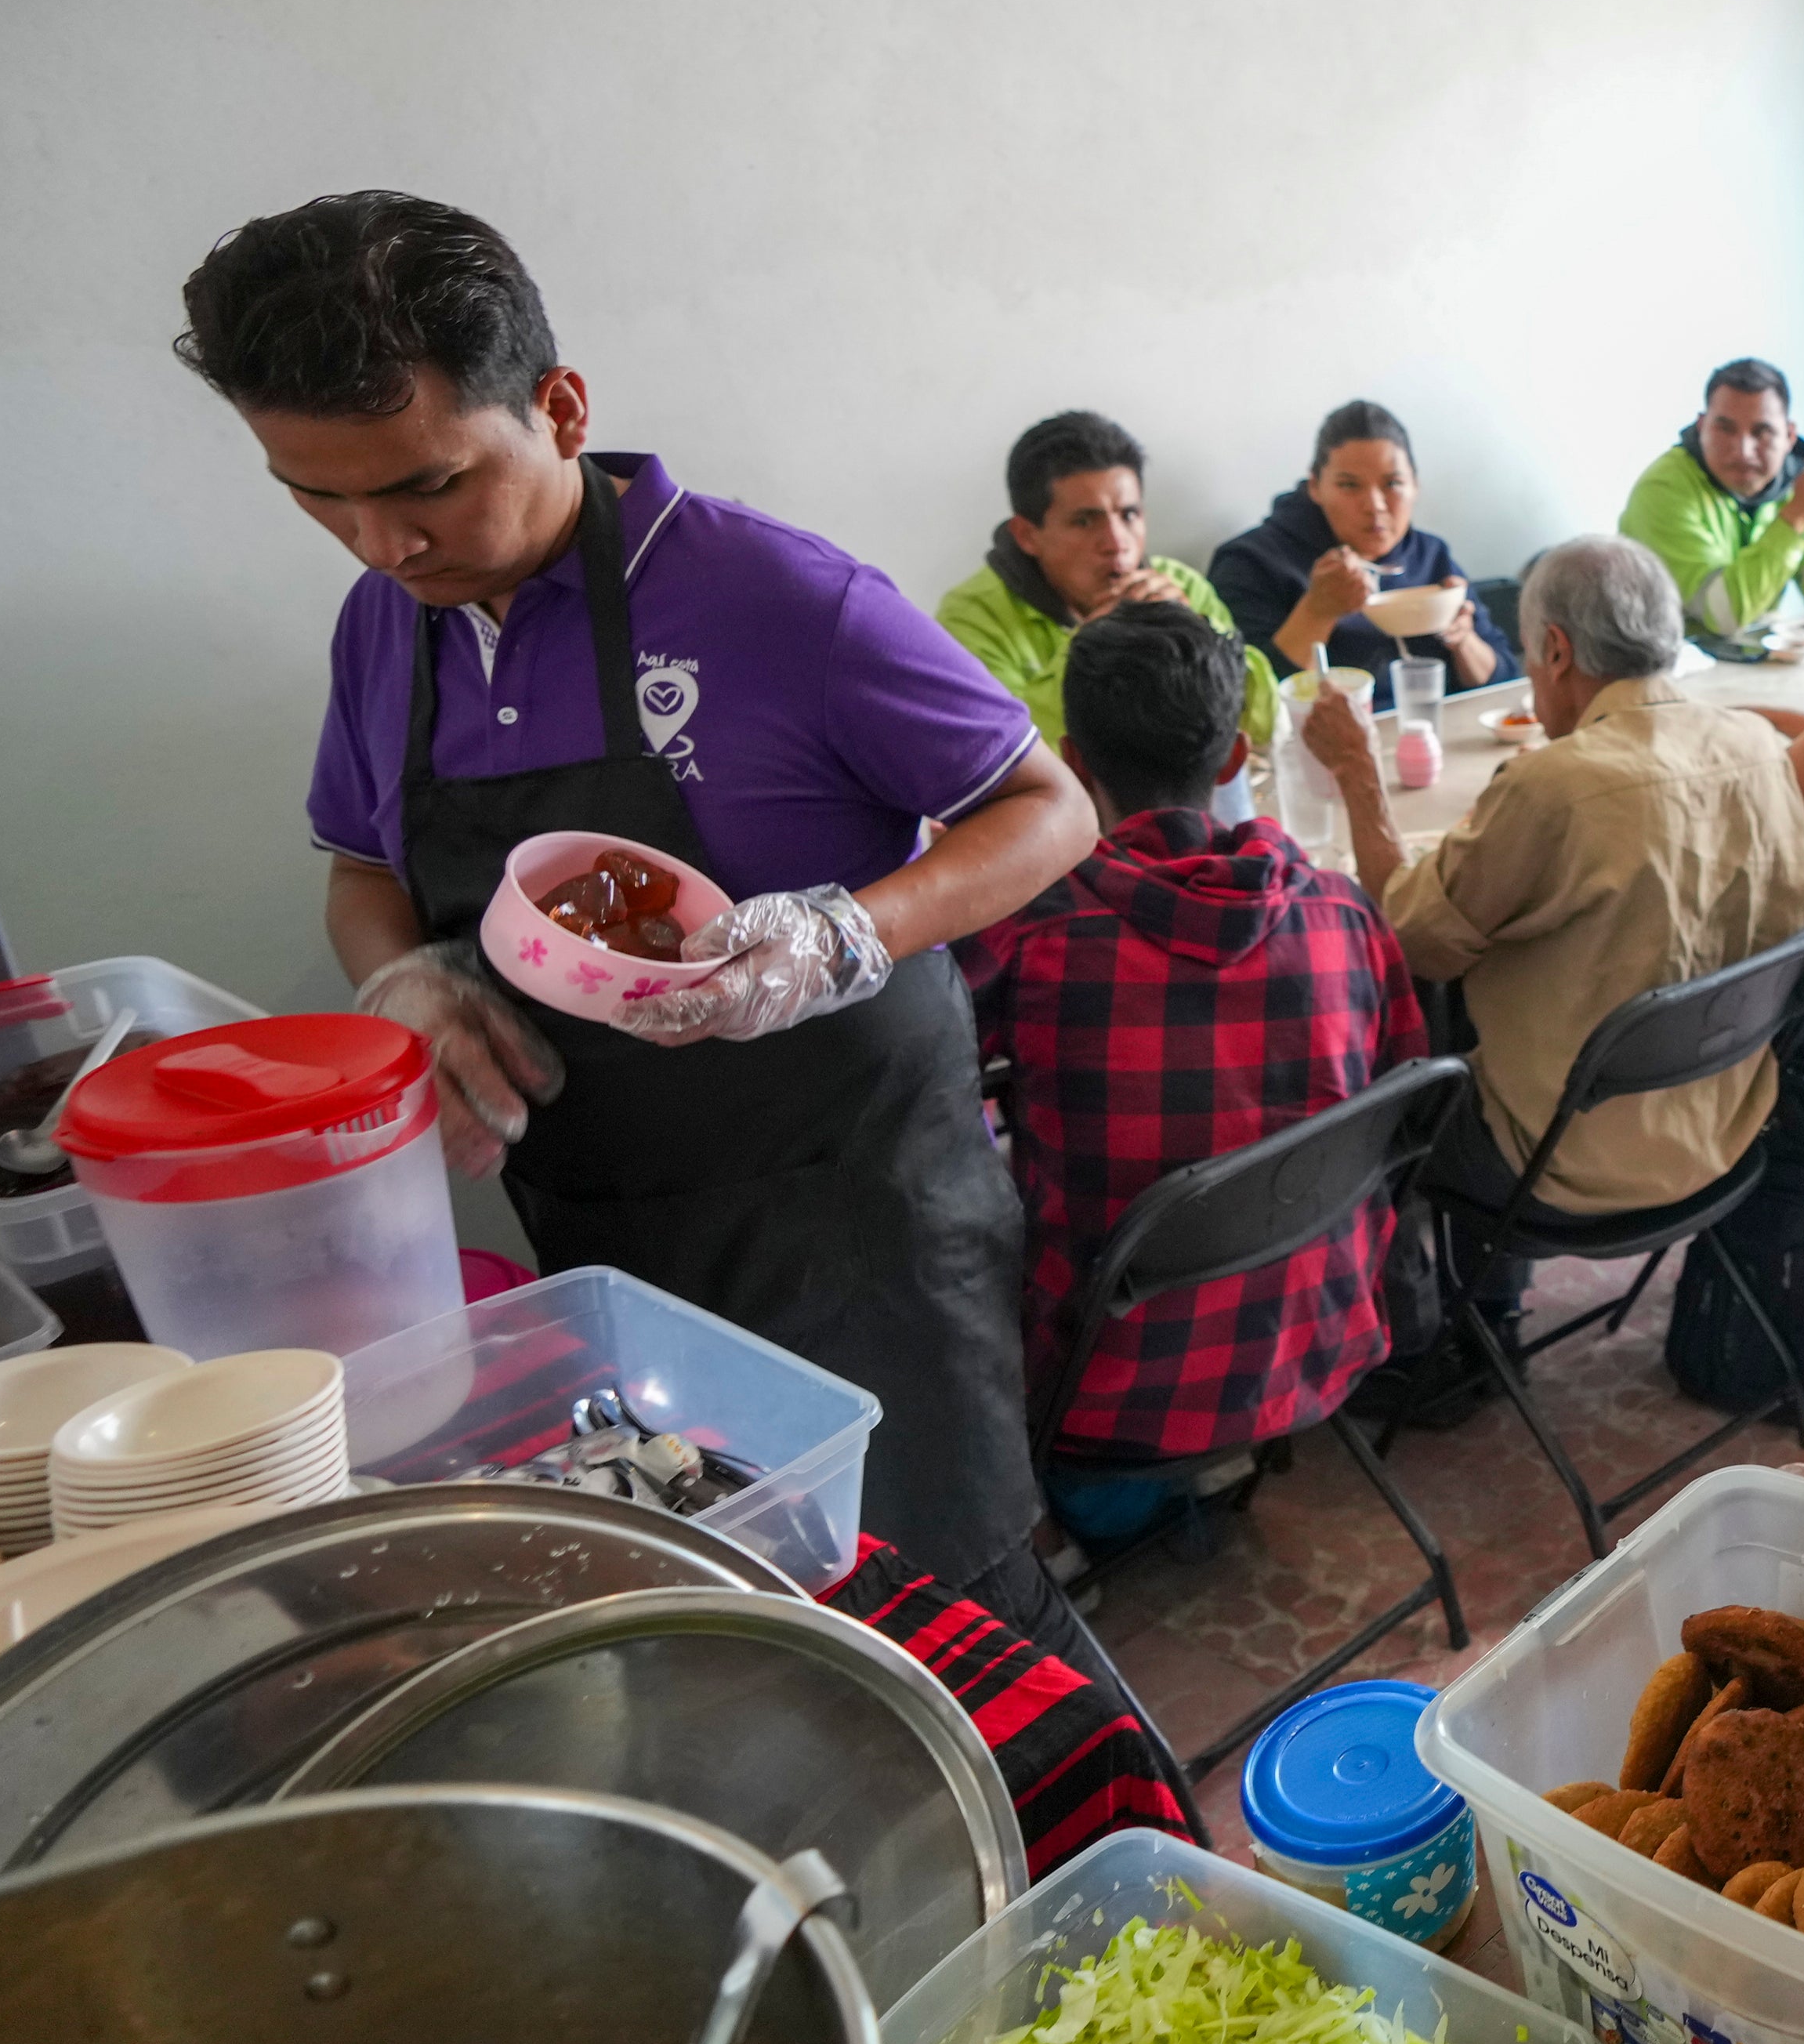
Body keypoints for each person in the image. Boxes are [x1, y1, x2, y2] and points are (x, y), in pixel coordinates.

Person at [188, 190, 1100, 1654]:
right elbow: (361, 866)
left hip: (854, 1216)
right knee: (732, 1616)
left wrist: (845, 933)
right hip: (606, 1235)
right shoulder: (385, 629)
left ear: (559, 407)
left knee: (948, 1608)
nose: (382, 544)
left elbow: (1048, 808)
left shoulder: (776, 597)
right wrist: (404, 976)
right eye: (317, 497)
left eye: (429, 484)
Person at [965, 603, 1428, 1509]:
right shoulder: (1345, 911)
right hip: (1321, 1337)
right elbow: (1400, 1114)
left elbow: (929, 1085)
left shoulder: (1032, 933)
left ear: (1072, 761)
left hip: (1101, 1390)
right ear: (1232, 759)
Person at [1345, 534, 1804, 1216]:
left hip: (1560, 1165)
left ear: (1556, 650)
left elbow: (1409, 939)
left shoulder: (1552, 788)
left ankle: (1461, 1280)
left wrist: (1358, 776)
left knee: (1378, 1087)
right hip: (1727, 1128)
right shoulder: (1762, 746)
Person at [933, 409, 1283, 753]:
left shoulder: (1181, 587)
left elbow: (1265, 726)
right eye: (1085, 522)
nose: (1116, 543)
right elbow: (1007, 757)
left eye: (1129, 515)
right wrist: (1089, 650)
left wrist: (1201, 640)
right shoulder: (972, 618)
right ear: (1027, 535)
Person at [1207, 398, 1516, 704]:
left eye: (1392, 484)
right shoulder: (1250, 563)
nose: (1375, 506)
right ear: (1315, 487)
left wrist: (1463, 640)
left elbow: (1506, 681)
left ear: (1415, 485)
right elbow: (1243, 703)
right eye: (1349, 486)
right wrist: (1317, 611)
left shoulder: (1431, 556)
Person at [1619, 357, 1804, 651]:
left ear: (1790, 437)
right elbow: (1723, 615)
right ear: (1702, 427)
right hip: (1663, 662)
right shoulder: (1663, 489)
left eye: (1762, 432)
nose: (1743, 451)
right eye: (1725, 429)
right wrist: (1794, 520)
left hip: (1750, 660)